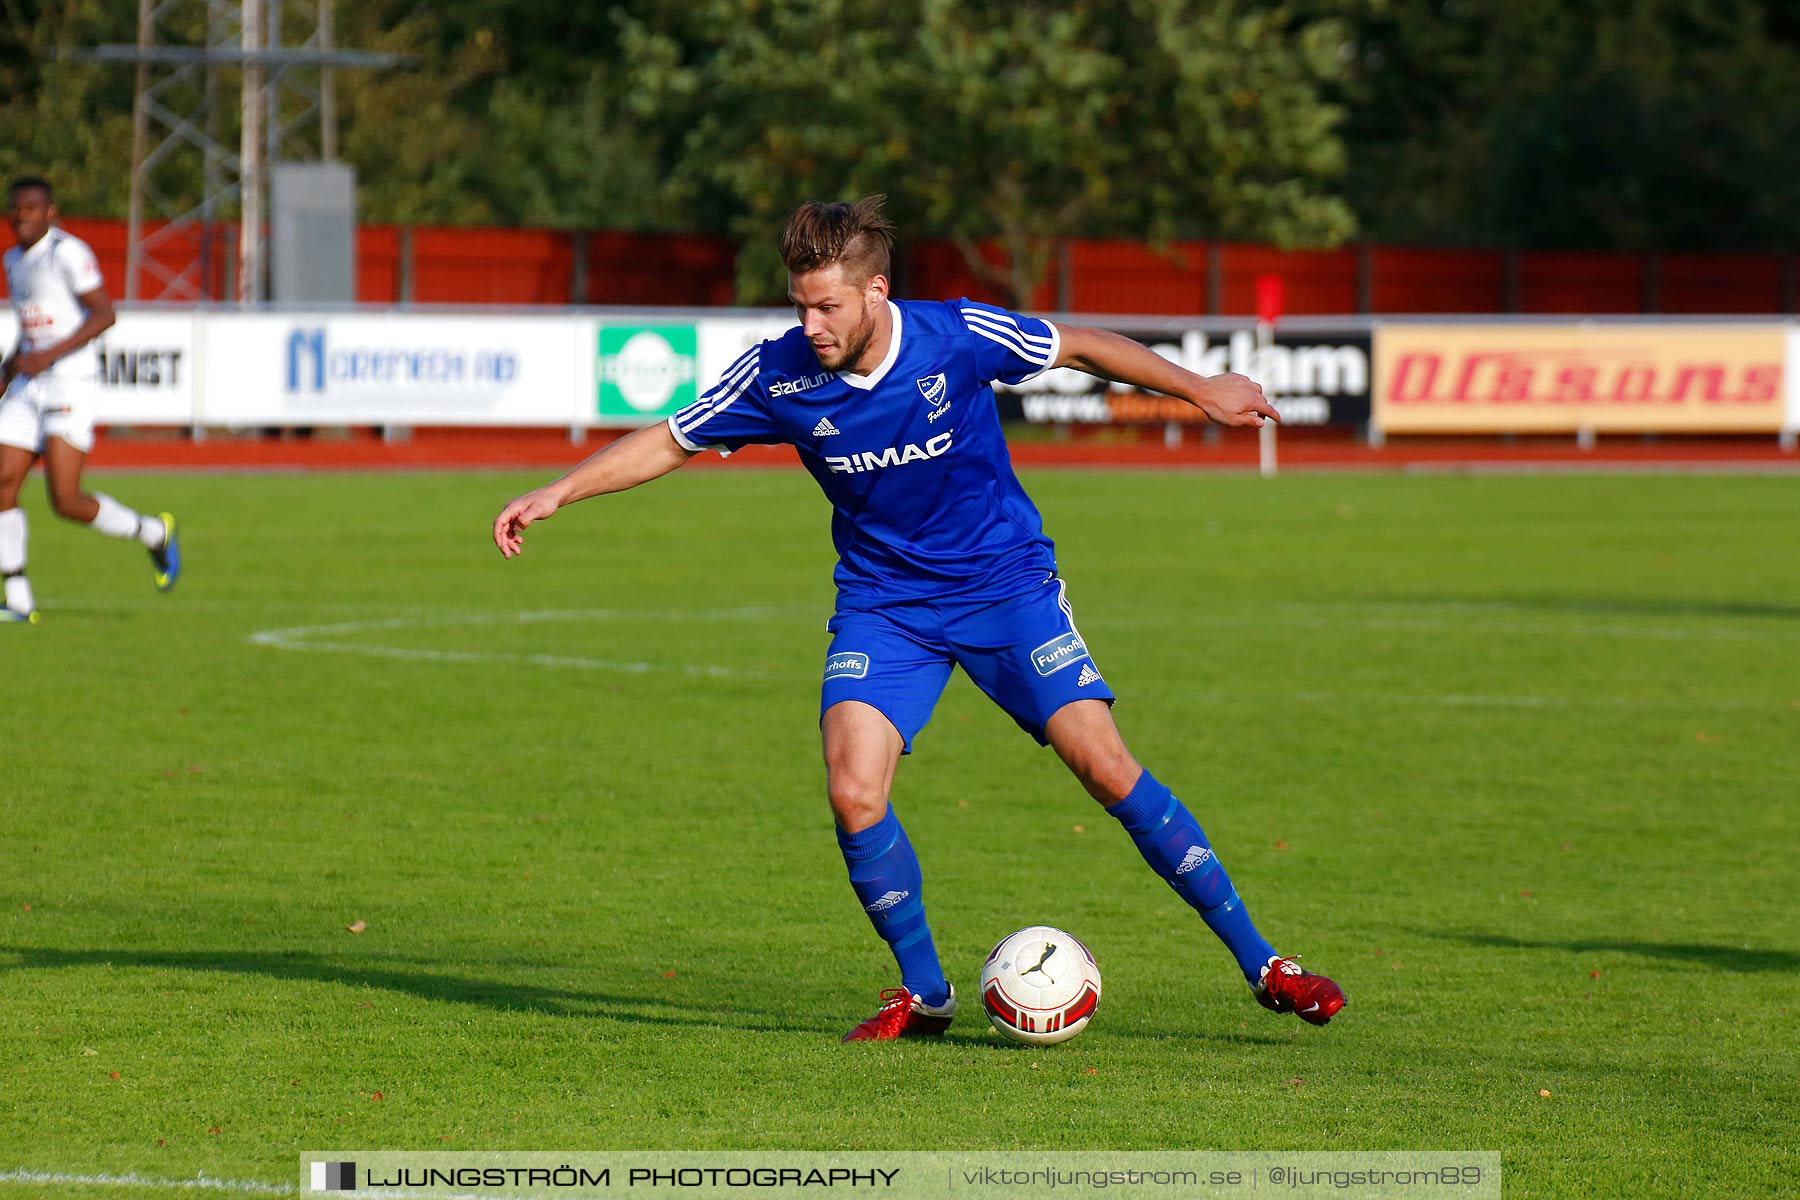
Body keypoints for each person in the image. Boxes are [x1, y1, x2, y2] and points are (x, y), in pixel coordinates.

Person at [493, 196, 1344, 1040]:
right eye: (800, 305)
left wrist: (1199, 389)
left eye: (827, 305)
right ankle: (924, 992)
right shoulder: (779, 374)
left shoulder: (956, 336)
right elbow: (671, 439)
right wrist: (561, 489)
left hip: (1004, 585)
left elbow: (1079, 344)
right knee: (853, 791)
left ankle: (1266, 965)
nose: (812, 324)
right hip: (885, 605)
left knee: (1106, 767)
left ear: (875, 292)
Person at [1, 176, 181, 623]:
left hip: (69, 384)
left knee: (65, 500)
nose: (21, 215)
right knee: (2, 481)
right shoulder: (12, 260)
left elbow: (104, 314)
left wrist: (48, 355)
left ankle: (153, 533)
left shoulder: (68, 254)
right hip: (29, 384)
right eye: (15, 208)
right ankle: (18, 596)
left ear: (50, 212)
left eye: (30, 207)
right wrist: (9, 368)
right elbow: (30, 324)